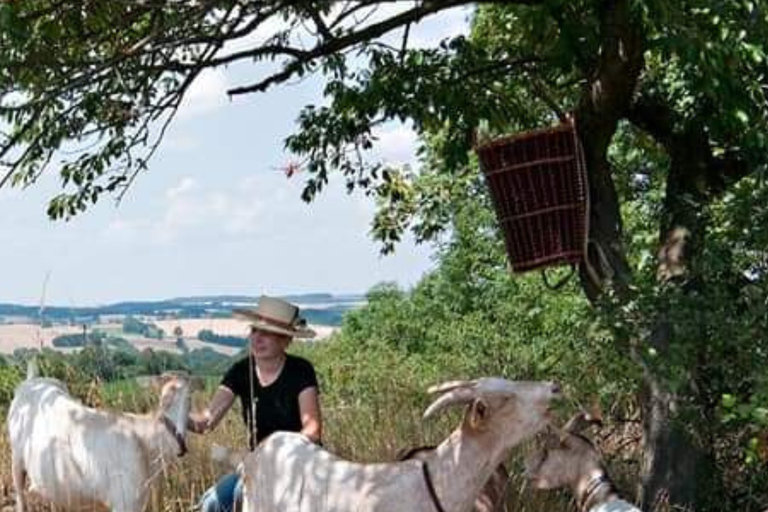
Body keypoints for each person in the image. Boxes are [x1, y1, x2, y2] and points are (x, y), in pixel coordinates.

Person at [189, 295, 322, 512]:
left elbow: (313, 431)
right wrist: (174, 414)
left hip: (299, 462)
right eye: (254, 331)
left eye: (267, 333)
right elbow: (206, 422)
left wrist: (273, 447)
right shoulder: (241, 371)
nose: (257, 339)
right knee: (212, 503)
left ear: (285, 340)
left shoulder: (301, 370)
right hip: (257, 466)